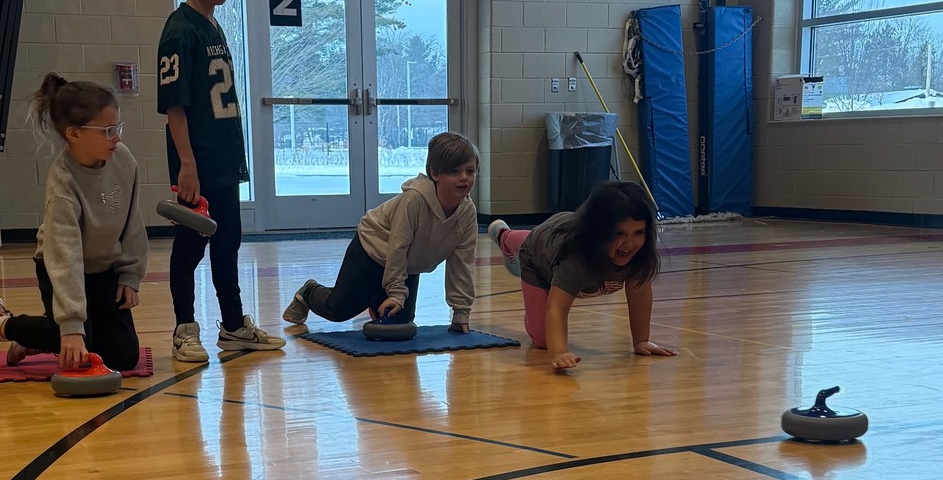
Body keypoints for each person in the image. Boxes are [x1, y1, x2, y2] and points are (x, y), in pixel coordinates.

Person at [0, 73, 147, 372]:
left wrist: (130, 276)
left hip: (102, 269)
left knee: (123, 357)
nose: (116, 137)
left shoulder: (124, 160)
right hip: (58, 267)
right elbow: (64, 258)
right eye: (106, 130)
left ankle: (39, 336)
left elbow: (132, 221)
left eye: (117, 127)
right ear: (74, 134)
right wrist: (70, 325)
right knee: (74, 336)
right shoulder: (63, 183)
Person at [158, 0, 284, 363]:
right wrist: (187, 165)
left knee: (227, 241)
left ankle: (233, 326)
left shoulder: (214, 24)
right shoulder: (180, 30)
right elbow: (175, 108)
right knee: (191, 246)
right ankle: (183, 328)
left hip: (225, 160)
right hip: (199, 163)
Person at [282, 132, 479, 332]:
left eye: (470, 171)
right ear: (435, 173)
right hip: (372, 251)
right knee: (338, 310)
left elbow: (462, 264)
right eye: (454, 171)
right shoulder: (414, 201)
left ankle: (378, 299)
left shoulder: (467, 214)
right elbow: (397, 248)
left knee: (402, 322)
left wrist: (461, 313)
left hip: (406, 265)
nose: (464, 178)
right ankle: (309, 292)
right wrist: (396, 294)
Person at [488, 180, 677, 370]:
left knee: (544, 240)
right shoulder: (575, 258)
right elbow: (557, 308)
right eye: (618, 233)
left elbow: (640, 293)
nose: (628, 244)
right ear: (599, 233)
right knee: (543, 341)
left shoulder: (639, 253)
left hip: (557, 235)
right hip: (537, 259)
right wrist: (560, 352)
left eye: (638, 232)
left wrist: (641, 341)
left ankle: (525, 242)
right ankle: (506, 237)